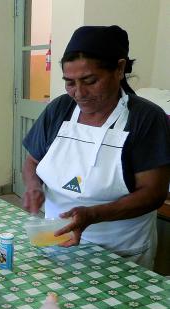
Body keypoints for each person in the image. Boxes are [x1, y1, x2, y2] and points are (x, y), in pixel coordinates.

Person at [22, 25, 170, 269]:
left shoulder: (145, 118)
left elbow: (153, 194)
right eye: (70, 82)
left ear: (119, 69)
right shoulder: (60, 109)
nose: (79, 93)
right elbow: (32, 161)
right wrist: (33, 186)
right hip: (57, 241)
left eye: (90, 81)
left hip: (120, 252)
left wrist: (94, 215)